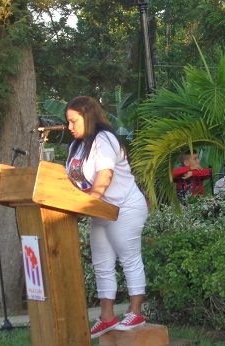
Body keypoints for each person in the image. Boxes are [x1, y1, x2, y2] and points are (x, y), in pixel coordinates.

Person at [65, 96, 148, 339]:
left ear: (87, 117)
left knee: (129, 258)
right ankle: (107, 316)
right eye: (68, 122)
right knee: (101, 264)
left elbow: (104, 176)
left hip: (124, 207)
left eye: (73, 121)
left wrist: (89, 202)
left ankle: (136, 312)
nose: (69, 127)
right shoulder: (76, 145)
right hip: (99, 210)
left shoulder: (105, 139)